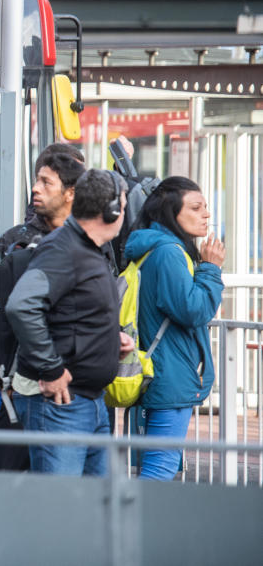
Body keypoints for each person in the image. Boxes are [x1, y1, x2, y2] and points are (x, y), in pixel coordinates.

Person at [5, 169, 135, 476]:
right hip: (61, 404)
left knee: (95, 510)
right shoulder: (63, 249)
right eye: (124, 205)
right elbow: (22, 306)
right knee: (60, 513)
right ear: (112, 210)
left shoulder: (90, 249)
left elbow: (73, 314)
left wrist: (108, 340)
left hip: (89, 402)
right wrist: (50, 368)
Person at [0, 145, 84, 471]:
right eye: (39, 179)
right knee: (3, 472)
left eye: (47, 181)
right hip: (14, 387)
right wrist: (2, 357)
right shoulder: (16, 241)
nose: (36, 188)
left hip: (74, 389)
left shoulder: (93, 244)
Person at [123, 177, 225, 480]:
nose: (206, 214)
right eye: (195, 207)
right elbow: (193, 310)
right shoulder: (169, 252)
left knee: (155, 464)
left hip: (155, 368)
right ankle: (132, 527)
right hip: (170, 374)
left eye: (205, 207)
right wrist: (211, 269)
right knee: (160, 467)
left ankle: (134, 525)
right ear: (171, 212)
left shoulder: (151, 247)